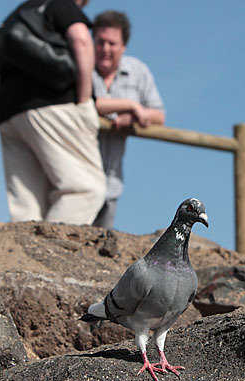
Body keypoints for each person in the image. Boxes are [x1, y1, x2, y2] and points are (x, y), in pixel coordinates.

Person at [0, 0, 106, 225]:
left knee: (26, 203)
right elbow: (81, 40)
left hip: (8, 115)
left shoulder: (13, 18)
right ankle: (48, 252)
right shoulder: (61, 4)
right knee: (84, 189)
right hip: (54, 106)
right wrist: (82, 101)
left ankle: (21, 255)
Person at [91, 10, 165, 229]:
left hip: (111, 180)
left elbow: (159, 115)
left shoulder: (138, 72)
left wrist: (132, 116)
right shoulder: (81, 66)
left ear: (123, 46)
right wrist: (130, 105)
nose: (105, 49)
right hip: (74, 176)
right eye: (100, 42)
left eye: (112, 44)